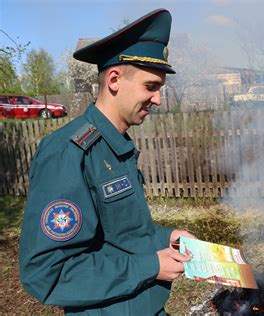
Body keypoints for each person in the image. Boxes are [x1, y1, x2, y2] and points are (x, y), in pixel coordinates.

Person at [19, 9, 195, 315]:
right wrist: (150, 266)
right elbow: (48, 272)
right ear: (114, 79)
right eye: (150, 87)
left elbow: (121, 233)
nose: (157, 100)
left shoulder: (115, 144)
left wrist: (167, 237)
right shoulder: (68, 152)